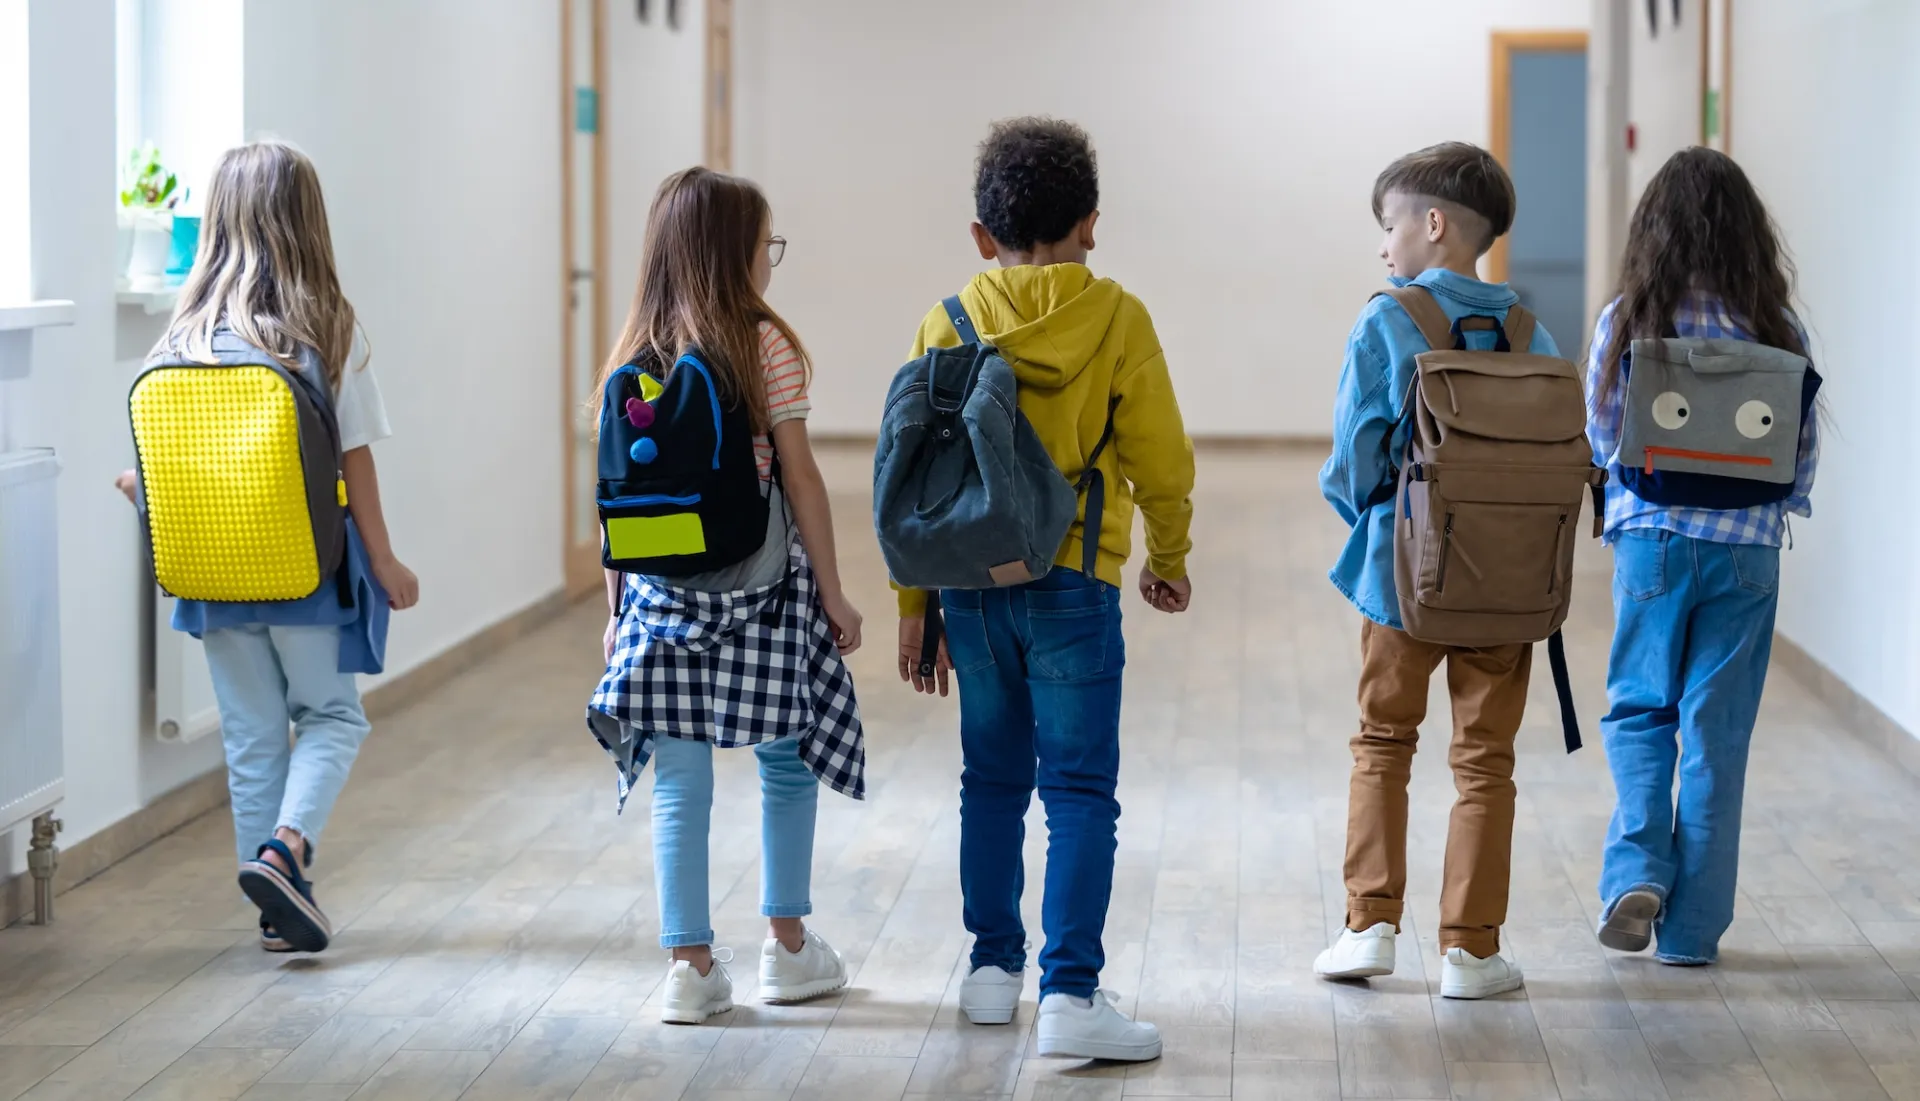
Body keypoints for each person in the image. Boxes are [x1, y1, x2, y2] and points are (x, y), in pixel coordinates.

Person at [898, 117, 1195, 1062]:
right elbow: (1161, 457)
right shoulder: (1118, 318)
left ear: (982, 236)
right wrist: (1169, 554)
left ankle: (992, 973)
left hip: (971, 590)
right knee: (1078, 789)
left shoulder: (948, 318)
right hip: (1074, 583)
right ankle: (1070, 994)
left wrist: (917, 606)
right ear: (1092, 225)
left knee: (989, 778)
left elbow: (908, 474)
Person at [115, 140, 420, 955]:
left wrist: (141, 489)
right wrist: (384, 560)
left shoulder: (181, 337)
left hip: (213, 575)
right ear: (307, 223)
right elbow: (355, 457)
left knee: (251, 736)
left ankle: (274, 902)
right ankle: (286, 852)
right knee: (330, 716)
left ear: (215, 225)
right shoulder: (326, 330)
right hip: (303, 572)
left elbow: (166, 461)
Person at [585, 167, 865, 1025]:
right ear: (735, 255)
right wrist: (836, 593)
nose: (769, 262)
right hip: (764, 593)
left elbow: (613, 502)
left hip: (664, 604)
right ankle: (787, 949)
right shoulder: (762, 346)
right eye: (764, 246)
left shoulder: (631, 358)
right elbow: (804, 478)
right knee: (787, 760)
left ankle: (689, 965)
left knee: (680, 779)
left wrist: (616, 610)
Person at [1316, 142, 1558, 999]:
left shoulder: (1388, 319)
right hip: (1510, 584)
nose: (1385, 248)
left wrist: (1369, 521)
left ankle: (1369, 928)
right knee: (1485, 761)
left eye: (1390, 226)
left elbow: (1354, 457)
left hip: (1404, 579)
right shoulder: (1534, 331)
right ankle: (1472, 951)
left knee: (1384, 741)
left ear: (1433, 225)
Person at [1585, 147, 1818, 965]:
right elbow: (1800, 449)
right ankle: (1691, 934)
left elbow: (1605, 436)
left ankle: (1638, 872)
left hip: (1651, 540)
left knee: (1641, 708)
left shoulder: (1630, 320)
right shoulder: (1777, 329)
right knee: (1717, 733)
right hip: (1748, 553)